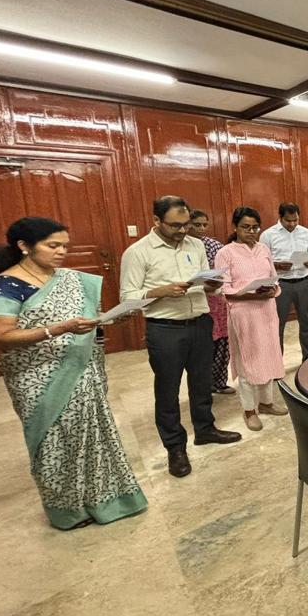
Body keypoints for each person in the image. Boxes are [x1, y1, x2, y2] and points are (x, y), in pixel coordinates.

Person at [0, 217, 147, 529]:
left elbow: (84, 319)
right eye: (52, 245)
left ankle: (107, 500)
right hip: (38, 377)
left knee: (92, 436)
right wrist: (58, 329)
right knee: (55, 441)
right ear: (24, 246)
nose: (61, 252)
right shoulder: (5, 286)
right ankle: (67, 512)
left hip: (82, 370)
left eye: (65, 246)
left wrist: (109, 319)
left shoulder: (69, 279)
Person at [120, 196, 241, 479]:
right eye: (175, 225)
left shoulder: (195, 245)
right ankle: (175, 447)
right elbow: (128, 297)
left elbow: (206, 285)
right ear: (156, 221)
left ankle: (205, 429)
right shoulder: (138, 252)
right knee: (168, 390)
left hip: (200, 322)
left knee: (201, 382)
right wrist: (160, 291)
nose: (183, 230)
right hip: (165, 329)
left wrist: (212, 284)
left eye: (186, 224)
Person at [215, 207, 286, 431]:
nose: (252, 231)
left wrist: (272, 289)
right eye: (246, 227)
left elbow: (273, 278)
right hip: (243, 314)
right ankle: (249, 410)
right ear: (235, 227)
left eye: (255, 227)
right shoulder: (225, 253)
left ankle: (266, 403)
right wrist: (250, 294)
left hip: (267, 311)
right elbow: (223, 289)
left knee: (269, 357)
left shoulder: (264, 248)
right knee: (248, 361)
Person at [259, 202, 308, 360]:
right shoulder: (268, 235)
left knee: (306, 323)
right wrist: (277, 265)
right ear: (280, 217)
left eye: (295, 220)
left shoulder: (305, 233)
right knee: (277, 325)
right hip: (281, 284)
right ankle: (277, 361)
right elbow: (261, 261)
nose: (292, 224)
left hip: (304, 282)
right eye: (288, 221)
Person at [189, 210, 234, 395]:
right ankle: (204, 386)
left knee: (223, 343)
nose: (201, 228)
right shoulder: (183, 247)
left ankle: (220, 382)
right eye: (196, 224)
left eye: (204, 224)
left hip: (218, 301)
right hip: (196, 302)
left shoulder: (215, 245)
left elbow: (227, 270)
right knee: (204, 346)